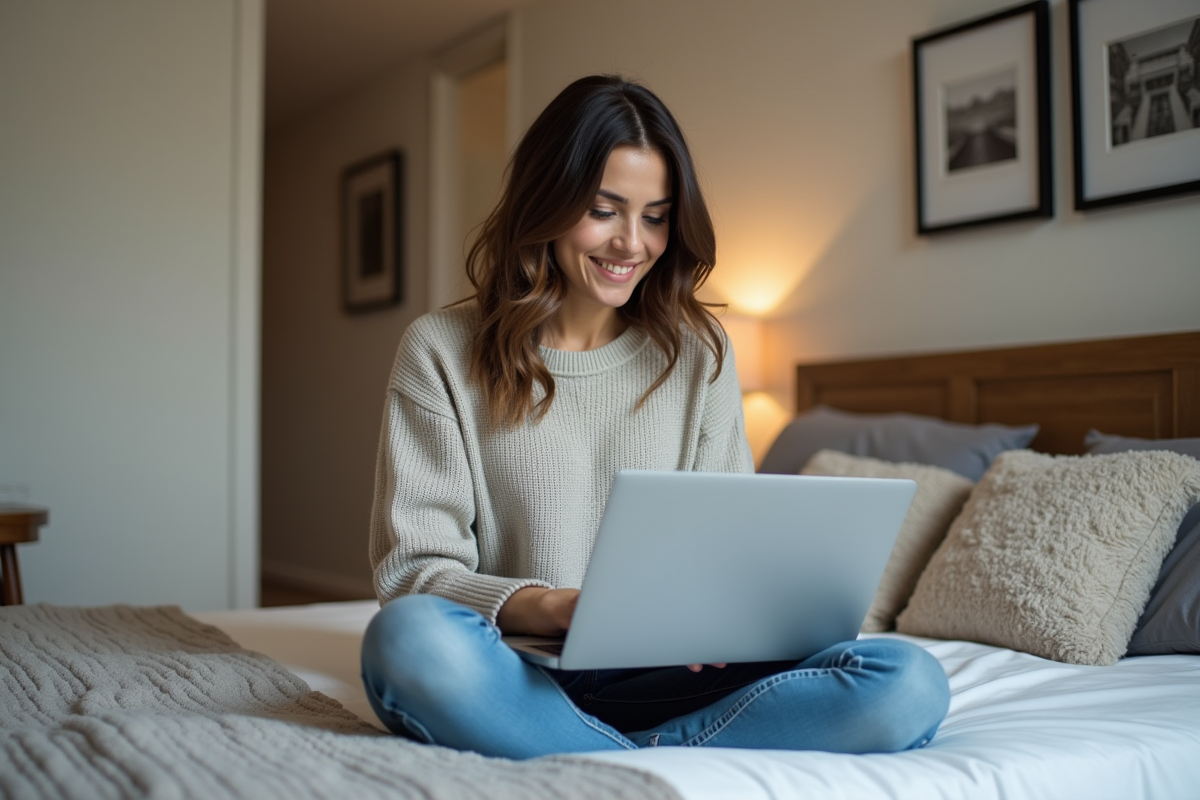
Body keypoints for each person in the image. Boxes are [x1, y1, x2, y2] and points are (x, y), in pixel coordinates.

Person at [360, 74, 950, 760]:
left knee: (910, 683)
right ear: (545, 201)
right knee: (406, 641)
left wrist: (735, 619)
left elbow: (730, 547)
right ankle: (654, 754)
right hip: (525, 670)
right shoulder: (441, 349)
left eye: (656, 215)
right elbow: (414, 572)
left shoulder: (700, 352)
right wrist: (553, 607)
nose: (631, 244)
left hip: (687, 678)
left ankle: (585, 755)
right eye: (604, 210)